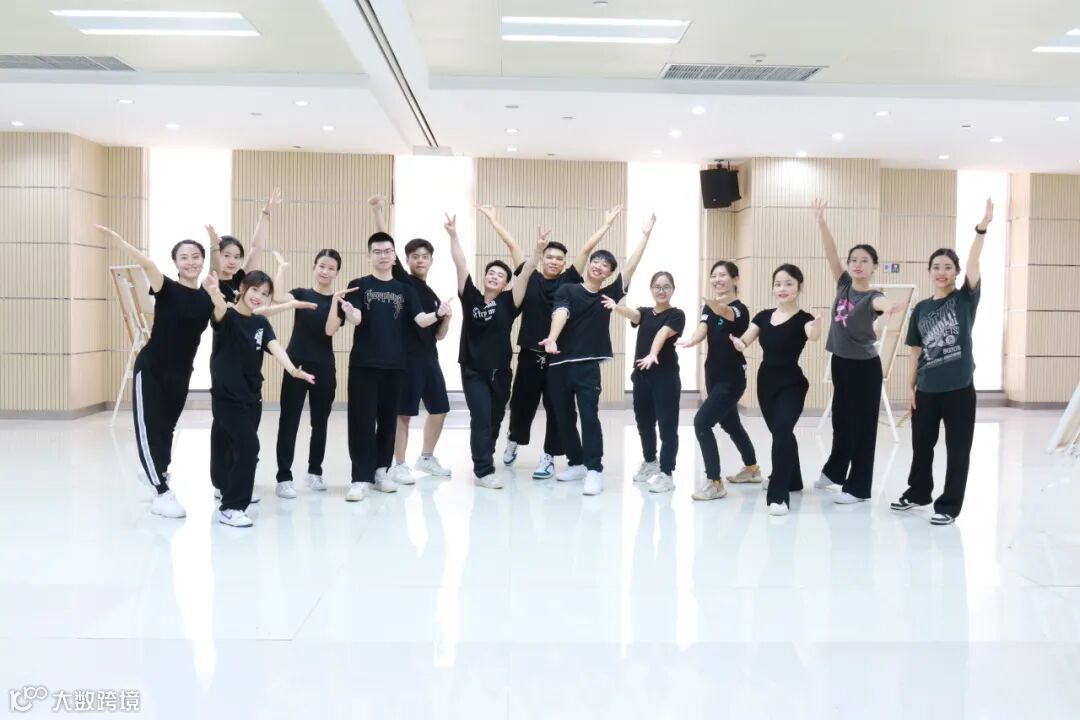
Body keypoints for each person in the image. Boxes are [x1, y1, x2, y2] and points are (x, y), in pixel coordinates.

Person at [483, 204, 623, 479]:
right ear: (542, 258)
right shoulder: (529, 276)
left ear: (564, 262)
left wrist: (606, 224)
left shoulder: (569, 281)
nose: (554, 261)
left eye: (560, 258)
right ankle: (514, 439)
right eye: (550, 256)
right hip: (529, 354)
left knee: (557, 409)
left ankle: (548, 456)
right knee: (521, 404)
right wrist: (494, 220)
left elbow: (587, 249)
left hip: (559, 358)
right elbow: (512, 245)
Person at [94, 225, 213, 519]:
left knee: (167, 428)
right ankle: (161, 491)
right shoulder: (166, 288)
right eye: (184, 257)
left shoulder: (207, 297)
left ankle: (157, 471)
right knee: (149, 428)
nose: (190, 262)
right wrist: (120, 241)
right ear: (176, 263)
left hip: (182, 372)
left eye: (195, 256)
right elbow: (147, 265)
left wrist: (214, 244)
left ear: (202, 260)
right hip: (152, 368)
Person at [326, 232, 451, 502]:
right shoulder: (359, 285)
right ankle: (360, 478)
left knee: (387, 422)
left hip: (396, 365)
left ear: (394, 256)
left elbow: (420, 319)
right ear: (369, 255)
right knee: (361, 421)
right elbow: (357, 318)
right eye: (377, 251)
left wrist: (439, 314)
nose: (382, 255)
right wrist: (349, 311)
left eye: (387, 251)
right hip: (364, 364)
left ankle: (381, 471)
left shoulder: (405, 289)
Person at [891, 199, 993, 525]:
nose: (941, 272)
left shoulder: (964, 299)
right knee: (922, 445)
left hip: (959, 389)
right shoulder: (921, 309)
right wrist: (910, 388)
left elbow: (975, 261)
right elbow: (915, 351)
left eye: (948, 267)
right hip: (927, 389)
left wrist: (982, 228)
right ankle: (918, 492)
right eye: (936, 266)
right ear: (929, 271)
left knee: (958, 449)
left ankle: (948, 506)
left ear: (956, 272)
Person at [540, 213, 655, 496]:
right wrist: (552, 338)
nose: (598, 266)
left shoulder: (609, 295)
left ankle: (594, 469)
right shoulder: (567, 288)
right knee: (563, 417)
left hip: (587, 367)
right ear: (589, 264)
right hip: (558, 363)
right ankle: (576, 463)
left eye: (605, 265)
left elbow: (631, 267)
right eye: (596, 261)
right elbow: (561, 312)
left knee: (589, 416)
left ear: (608, 274)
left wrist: (645, 236)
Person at [204, 270, 315, 527]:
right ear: (243, 288)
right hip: (227, 398)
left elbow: (275, 347)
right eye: (255, 290)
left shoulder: (261, 323)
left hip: (252, 398)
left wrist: (293, 370)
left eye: (265, 294)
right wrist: (214, 293)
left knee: (232, 445)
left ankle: (228, 486)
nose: (258, 296)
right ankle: (231, 507)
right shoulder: (228, 316)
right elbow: (219, 308)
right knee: (248, 447)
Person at [813, 198, 906, 503]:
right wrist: (821, 221)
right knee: (841, 421)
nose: (857, 264)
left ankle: (858, 488)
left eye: (865, 260)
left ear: (874, 266)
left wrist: (889, 307)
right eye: (854, 259)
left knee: (863, 428)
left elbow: (881, 303)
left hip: (865, 369)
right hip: (841, 362)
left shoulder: (873, 296)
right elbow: (831, 253)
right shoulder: (844, 285)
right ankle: (835, 471)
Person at [445, 213, 538, 488]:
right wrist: (453, 235)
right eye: (491, 273)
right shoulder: (470, 296)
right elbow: (460, 263)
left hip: (501, 372)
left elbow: (526, 273)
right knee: (481, 418)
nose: (494, 277)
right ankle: (483, 470)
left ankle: (486, 455)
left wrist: (537, 251)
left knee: (495, 419)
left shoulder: (510, 301)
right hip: (473, 370)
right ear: (484, 277)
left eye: (500, 275)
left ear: (506, 282)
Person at [369, 196, 454, 484]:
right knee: (403, 414)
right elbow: (386, 243)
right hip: (406, 359)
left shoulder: (432, 293)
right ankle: (399, 464)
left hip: (429, 358)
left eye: (424, 256)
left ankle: (426, 458)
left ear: (431, 260)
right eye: (414, 256)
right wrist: (378, 212)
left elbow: (438, 335)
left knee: (440, 408)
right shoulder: (404, 282)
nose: (420, 260)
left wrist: (447, 318)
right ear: (405, 260)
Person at [731, 265, 823, 515]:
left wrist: (816, 327)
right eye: (778, 284)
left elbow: (813, 335)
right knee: (781, 434)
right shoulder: (763, 316)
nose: (782, 288)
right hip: (766, 383)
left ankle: (778, 496)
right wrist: (739, 343)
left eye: (789, 283)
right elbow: (746, 339)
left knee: (782, 431)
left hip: (792, 384)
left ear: (799, 288)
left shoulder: (804, 319)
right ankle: (793, 478)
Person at [270, 249, 353, 499]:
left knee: (320, 421)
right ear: (314, 267)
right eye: (321, 266)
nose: (325, 271)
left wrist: (335, 301)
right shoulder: (301, 294)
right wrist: (282, 268)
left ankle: (314, 471)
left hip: (324, 367)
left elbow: (329, 330)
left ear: (337, 273)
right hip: (296, 364)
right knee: (289, 420)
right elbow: (277, 298)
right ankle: (284, 477)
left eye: (331, 268)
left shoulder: (340, 303)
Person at [681, 261, 761, 502]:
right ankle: (752, 469)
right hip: (713, 375)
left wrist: (716, 305)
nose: (717, 279)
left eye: (722, 275)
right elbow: (703, 327)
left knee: (701, 423)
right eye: (713, 275)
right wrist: (691, 340)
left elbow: (727, 313)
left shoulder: (740, 309)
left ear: (735, 279)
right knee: (731, 424)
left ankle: (714, 483)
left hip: (731, 377)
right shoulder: (709, 307)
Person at [604, 271, 686, 493]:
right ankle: (650, 462)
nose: (661, 290)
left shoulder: (677, 314)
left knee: (667, 426)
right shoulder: (646, 312)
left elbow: (663, 333)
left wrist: (652, 354)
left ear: (673, 289)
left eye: (666, 286)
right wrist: (616, 307)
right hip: (642, 377)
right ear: (651, 289)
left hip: (666, 378)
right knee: (644, 423)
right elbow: (634, 315)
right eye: (657, 286)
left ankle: (667, 473)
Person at [205, 188, 280, 304]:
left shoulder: (241, 279)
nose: (232, 261)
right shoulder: (212, 280)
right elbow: (214, 268)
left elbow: (257, 247)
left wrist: (266, 213)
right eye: (226, 255)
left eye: (237, 257)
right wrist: (214, 246)